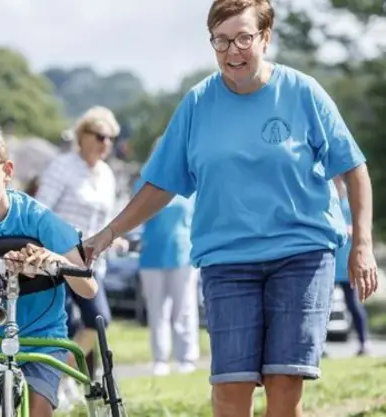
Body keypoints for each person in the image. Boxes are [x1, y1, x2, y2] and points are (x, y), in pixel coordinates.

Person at [83, 1, 378, 416]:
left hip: (301, 256)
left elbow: (354, 169)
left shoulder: (302, 92)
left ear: (265, 38)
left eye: (243, 38)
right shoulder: (199, 103)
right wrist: (107, 234)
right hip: (228, 260)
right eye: (220, 40)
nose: (232, 50)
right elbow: (161, 183)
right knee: (230, 388)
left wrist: (361, 244)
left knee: (283, 381)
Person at [0, 119, 97, 417]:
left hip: (42, 336)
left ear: (7, 171)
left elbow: (89, 288)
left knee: (39, 409)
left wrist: (57, 261)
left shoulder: (39, 218)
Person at [34, 106, 123, 395]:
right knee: (62, 326)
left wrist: (114, 238)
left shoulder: (107, 174)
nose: (105, 143)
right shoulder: (62, 166)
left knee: (98, 321)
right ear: (82, 136)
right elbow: (41, 210)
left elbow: (107, 219)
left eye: (111, 138)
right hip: (57, 259)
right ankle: (54, 384)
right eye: (99, 136)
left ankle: (58, 378)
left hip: (92, 263)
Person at [134, 175, 199, 376]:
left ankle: (186, 357)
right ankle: (160, 358)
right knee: (157, 310)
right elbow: (135, 214)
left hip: (183, 254)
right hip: (151, 255)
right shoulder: (145, 183)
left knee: (184, 308)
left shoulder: (192, 184)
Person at [333, 176, 371, 356]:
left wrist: (350, 230)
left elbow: (363, 226)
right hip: (329, 265)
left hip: (346, 264)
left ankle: (364, 343)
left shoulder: (350, 203)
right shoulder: (327, 200)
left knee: (353, 305)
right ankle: (320, 348)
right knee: (321, 307)